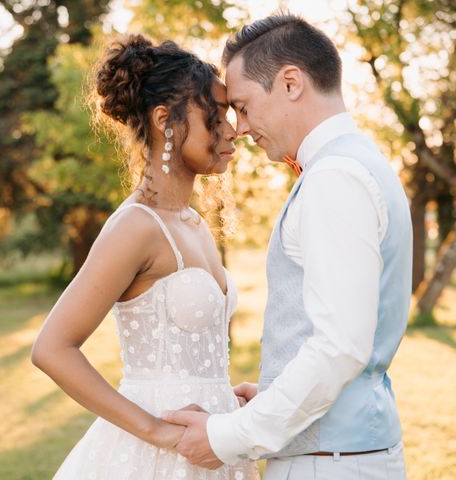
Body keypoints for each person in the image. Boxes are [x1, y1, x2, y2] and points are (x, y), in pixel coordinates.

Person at [164, 14, 412, 480]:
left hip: (328, 467)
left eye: (243, 104)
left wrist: (226, 437)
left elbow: (339, 347)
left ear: (291, 83)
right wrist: (277, 392)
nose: (238, 127)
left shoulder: (334, 179)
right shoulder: (361, 163)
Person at [31, 34, 258, 479]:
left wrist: (222, 399)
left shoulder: (193, 223)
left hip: (216, 443)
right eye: (214, 114)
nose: (232, 130)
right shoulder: (136, 226)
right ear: (165, 121)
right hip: (155, 457)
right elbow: (52, 348)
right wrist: (157, 431)